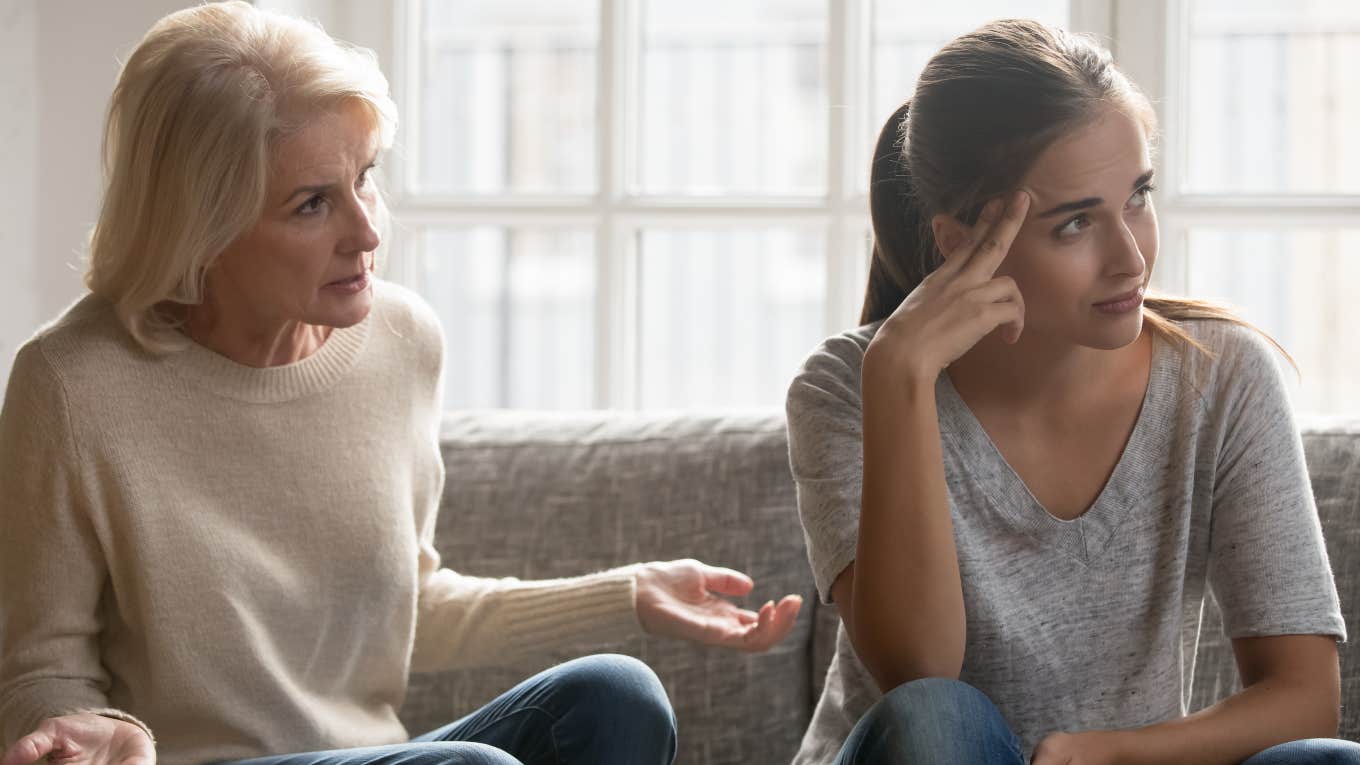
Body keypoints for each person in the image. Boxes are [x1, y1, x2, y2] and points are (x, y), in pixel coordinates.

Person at [0, 4, 802, 765]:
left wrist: (628, 593)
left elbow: (411, 604)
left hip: (379, 754)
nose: (368, 230)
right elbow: (38, 667)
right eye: (313, 203)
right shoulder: (72, 384)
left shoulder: (401, 340)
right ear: (201, 227)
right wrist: (90, 728)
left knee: (616, 696)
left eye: (366, 177)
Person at [785, 18, 1354, 765]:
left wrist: (1110, 753)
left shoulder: (1221, 376)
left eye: (1138, 197)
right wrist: (901, 378)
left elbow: (1306, 696)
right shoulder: (849, 386)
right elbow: (917, 674)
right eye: (1076, 222)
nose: (1131, 258)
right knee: (938, 719)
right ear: (960, 242)